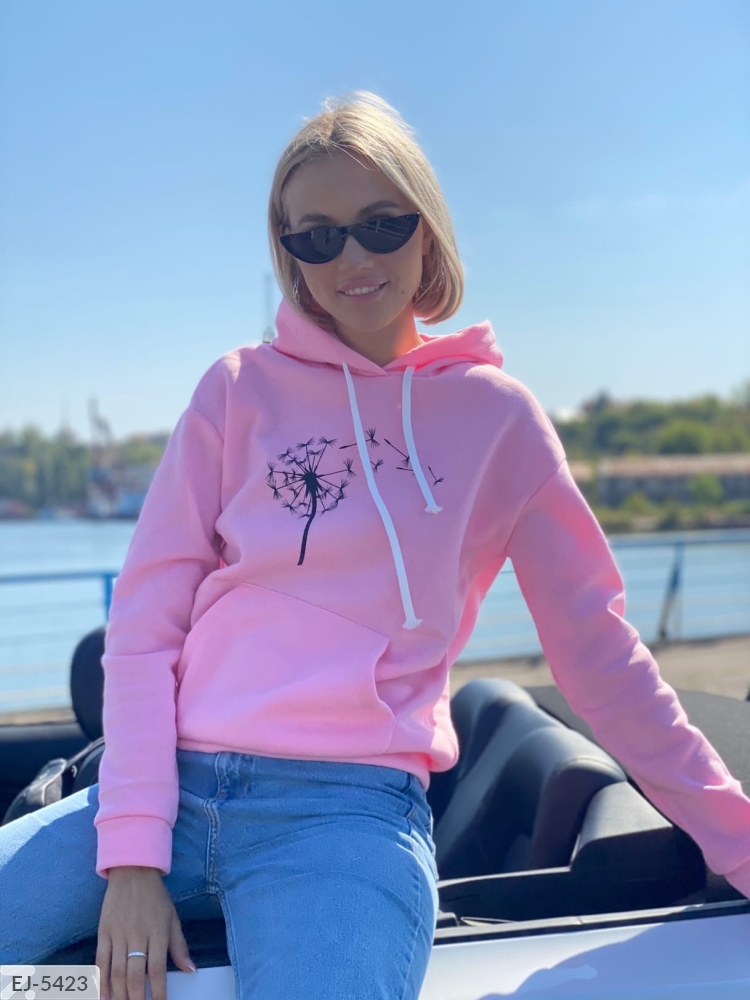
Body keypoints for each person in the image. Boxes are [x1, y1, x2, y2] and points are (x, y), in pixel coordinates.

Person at [1, 90, 749, 1000]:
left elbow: (602, 657)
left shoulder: (499, 421)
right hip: (173, 784)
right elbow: (145, 628)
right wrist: (130, 858)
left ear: (426, 230)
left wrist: (739, 842)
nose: (352, 258)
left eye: (381, 225)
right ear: (291, 255)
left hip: (347, 815)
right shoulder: (235, 391)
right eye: (317, 238)